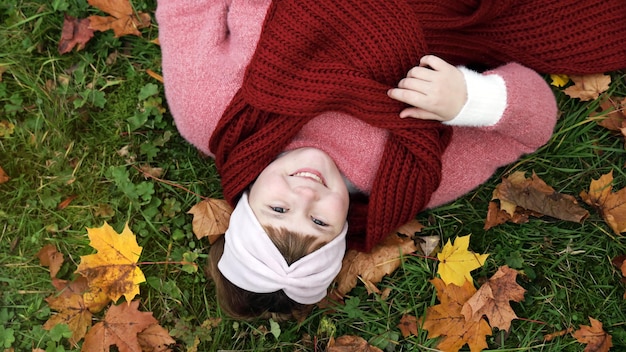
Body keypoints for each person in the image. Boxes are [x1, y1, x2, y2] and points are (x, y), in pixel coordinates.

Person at [156, 0, 626, 320]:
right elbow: (534, 125)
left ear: (244, 205)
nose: (306, 193)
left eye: (277, 210)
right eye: (319, 221)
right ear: (344, 229)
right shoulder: (405, 176)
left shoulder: (212, 115)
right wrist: (470, 98)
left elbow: (187, 10)